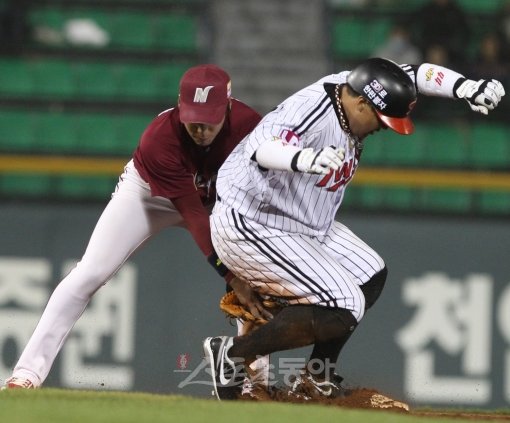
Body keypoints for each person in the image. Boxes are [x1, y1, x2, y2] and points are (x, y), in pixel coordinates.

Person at [202, 57, 505, 400]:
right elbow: (262, 148)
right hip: (251, 222)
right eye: (381, 119)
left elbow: (417, 74)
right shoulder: (311, 109)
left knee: (370, 274)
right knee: (345, 303)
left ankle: (316, 377)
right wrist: (302, 159)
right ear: (361, 103)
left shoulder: (360, 84)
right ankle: (232, 354)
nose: (383, 128)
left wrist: (465, 87)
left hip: (301, 223)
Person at [2, 64, 268, 390]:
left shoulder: (250, 128)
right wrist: (229, 276)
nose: (200, 129)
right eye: (193, 118)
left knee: (254, 279)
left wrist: (240, 272)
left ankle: (256, 384)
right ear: (180, 106)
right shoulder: (160, 138)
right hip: (149, 195)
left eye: (208, 119)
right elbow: (193, 215)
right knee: (89, 273)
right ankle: (26, 374)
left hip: (217, 203)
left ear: (227, 107)